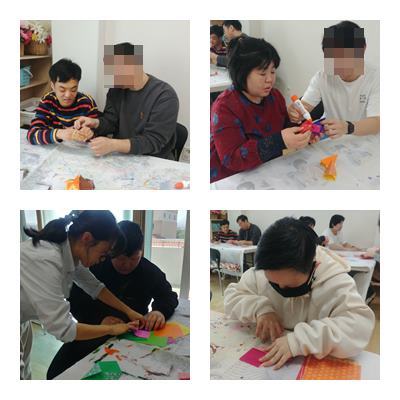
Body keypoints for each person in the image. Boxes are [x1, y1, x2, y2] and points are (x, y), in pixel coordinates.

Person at [224, 217, 375, 369]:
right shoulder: (263, 270)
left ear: (314, 267)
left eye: (290, 285)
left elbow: (358, 328)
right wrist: (260, 309)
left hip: (310, 364)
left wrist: (300, 340)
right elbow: (232, 297)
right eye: (273, 283)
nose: (280, 287)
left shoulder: (335, 281)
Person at [46, 220, 178, 379]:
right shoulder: (94, 263)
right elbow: (75, 301)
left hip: (131, 335)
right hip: (92, 330)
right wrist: (100, 320)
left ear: (141, 252)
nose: (127, 265)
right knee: (57, 373)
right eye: (121, 259)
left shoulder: (149, 271)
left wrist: (159, 311)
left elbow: (168, 296)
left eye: (134, 259)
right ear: (111, 251)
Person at [20, 211, 144, 380]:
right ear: (87, 239)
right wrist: (111, 329)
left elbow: (95, 287)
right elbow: (64, 329)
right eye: (103, 253)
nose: (102, 259)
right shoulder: (47, 259)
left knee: (24, 374)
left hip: (22, 318)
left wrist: (129, 311)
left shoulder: (70, 252)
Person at [210, 37, 310, 183]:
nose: (270, 79)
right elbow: (231, 159)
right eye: (263, 73)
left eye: (273, 72)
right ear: (242, 73)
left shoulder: (275, 96)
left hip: (266, 170)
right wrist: (279, 141)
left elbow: (283, 128)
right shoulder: (225, 107)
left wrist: (301, 129)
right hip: (232, 178)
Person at [74, 42, 179, 159]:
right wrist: (95, 122)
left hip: (154, 159)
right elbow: (110, 121)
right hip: (122, 157)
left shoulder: (164, 96)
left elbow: (153, 141)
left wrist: (113, 144)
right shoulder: (116, 90)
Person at [288, 21, 379, 138]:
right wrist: (296, 112)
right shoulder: (322, 76)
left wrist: (347, 127)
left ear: (363, 49)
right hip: (333, 139)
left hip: (368, 141)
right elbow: (305, 106)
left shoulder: (376, 77)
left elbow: (377, 122)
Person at [27, 59, 99, 145]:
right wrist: (59, 134)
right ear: (52, 86)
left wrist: (90, 134)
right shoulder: (47, 101)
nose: (68, 95)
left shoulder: (87, 103)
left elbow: (97, 135)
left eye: (73, 89)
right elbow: (32, 135)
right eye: (62, 90)